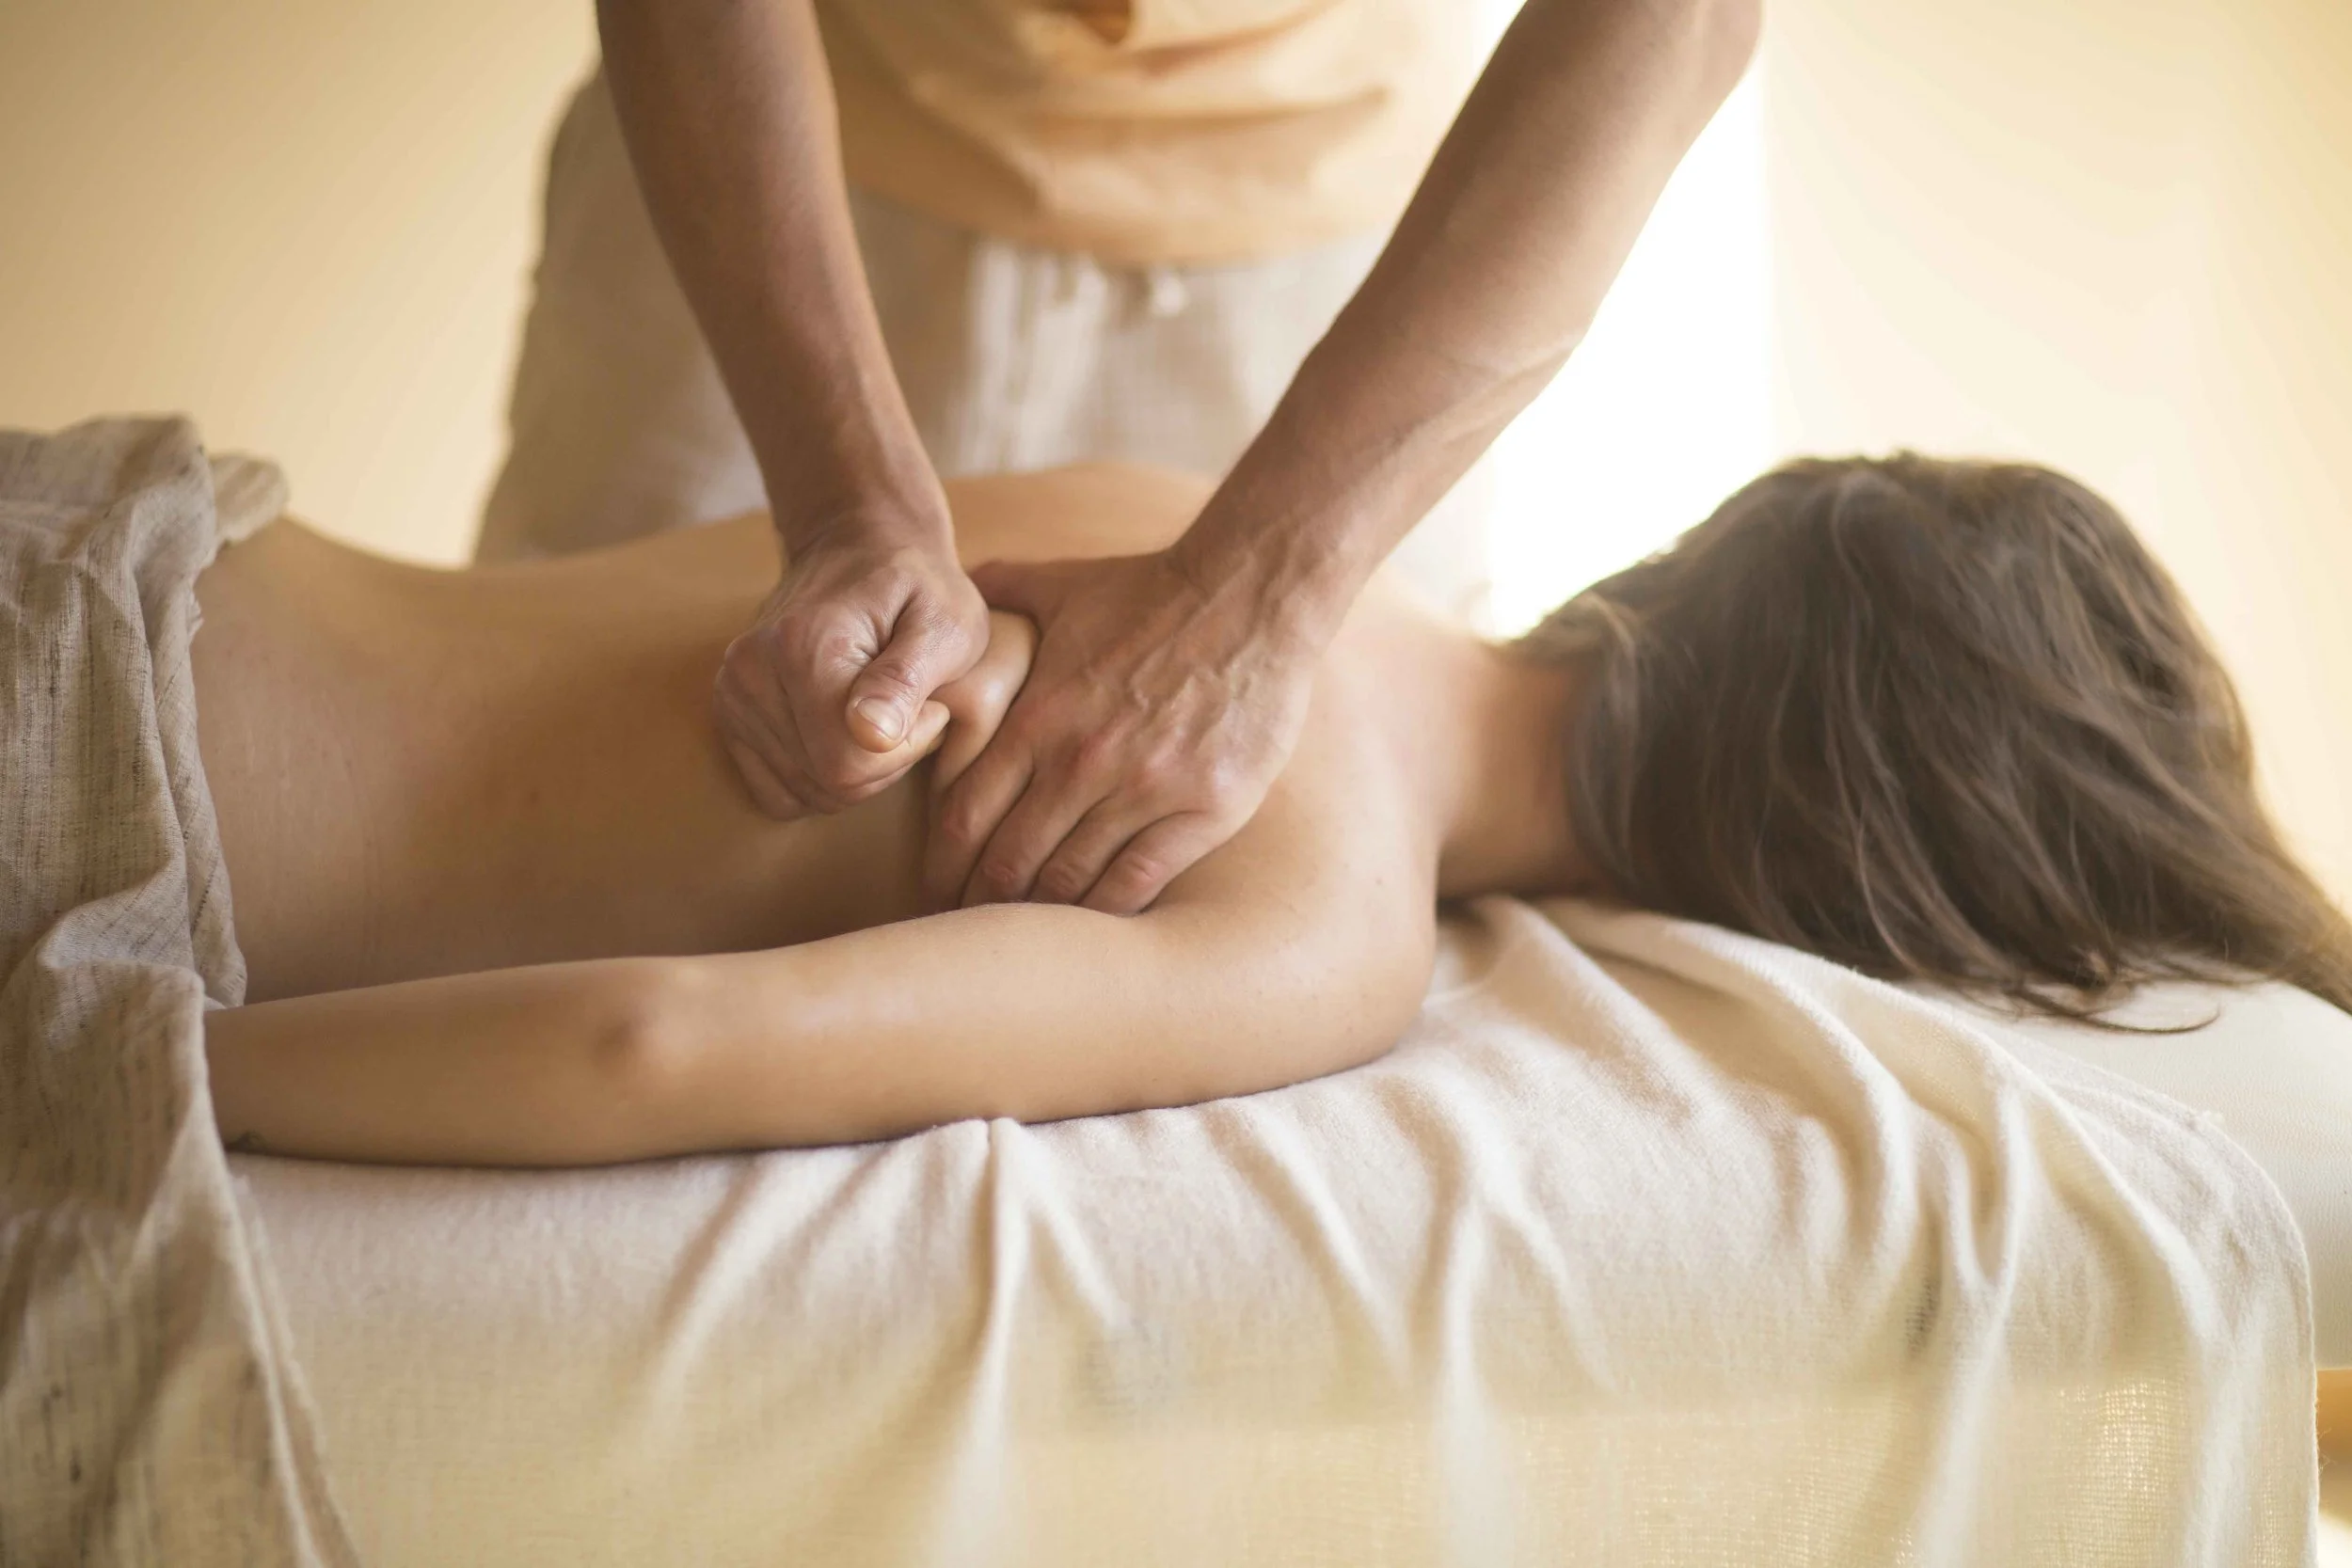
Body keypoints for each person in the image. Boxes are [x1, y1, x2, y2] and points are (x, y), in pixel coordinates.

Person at [199, 454, 2352, 1166]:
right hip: (115, 808)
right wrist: (128, 1070)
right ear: (1867, 895)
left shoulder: (1201, 515)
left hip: (165, 557)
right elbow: (644, 1046)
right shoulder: (1325, 908)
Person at [474, 0, 1762, 924]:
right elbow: (642, 1040)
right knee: (581, 786)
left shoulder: (1344, 865)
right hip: (779, 159)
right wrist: (834, 503)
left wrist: (1261, 591)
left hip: (1339, 273)